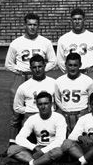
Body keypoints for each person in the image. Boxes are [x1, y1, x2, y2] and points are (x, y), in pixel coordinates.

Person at [3, 13, 56, 151]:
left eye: (35, 24)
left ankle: (41, 139)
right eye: (29, 24)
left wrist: (42, 70)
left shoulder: (45, 42)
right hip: (22, 77)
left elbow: (53, 61)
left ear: (38, 26)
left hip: (40, 77)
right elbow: (8, 63)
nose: (32, 27)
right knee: (16, 113)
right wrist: (20, 70)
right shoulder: (16, 43)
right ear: (24, 25)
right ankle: (12, 143)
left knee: (40, 106)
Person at [4, 92, 66, 165]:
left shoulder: (59, 118)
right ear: (37, 105)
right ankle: (46, 162)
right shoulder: (32, 119)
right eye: (40, 104)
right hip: (38, 148)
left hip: (53, 148)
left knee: (58, 152)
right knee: (11, 149)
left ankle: (30, 164)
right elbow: (19, 138)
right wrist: (34, 147)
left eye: (46, 103)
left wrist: (43, 151)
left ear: (51, 104)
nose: (43, 107)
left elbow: (60, 141)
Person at [10, 55, 57, 146]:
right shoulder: (24, 86)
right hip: (31, 116)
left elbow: (59, 103)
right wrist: (30, 111)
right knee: (28, 147)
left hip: (50, 116)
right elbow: (17, 107)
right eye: (34, 67)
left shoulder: (54, 83)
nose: (37, 69)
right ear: (30, 68)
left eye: (40, 66)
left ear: (44, 66)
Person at [54, 52, 93, 133]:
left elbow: (92, 101)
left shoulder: (88, 81)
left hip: (82, 115)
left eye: (75, 65)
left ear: (80, 65)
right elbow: (58, 99)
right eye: (70, 65)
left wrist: (85, 112)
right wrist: (64, 110)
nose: (72, 68)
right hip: (66, 115)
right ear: (65, 65)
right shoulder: (59, 81)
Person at [56, 8, 93, 78]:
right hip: (71, 74)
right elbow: (60, 61)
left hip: (88, 73)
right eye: (74, 19)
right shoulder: (63, 39)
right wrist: (69, 71)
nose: (77, 21)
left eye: (79, 19)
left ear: (84, 20)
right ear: (71, 21)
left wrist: (91, 71)